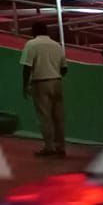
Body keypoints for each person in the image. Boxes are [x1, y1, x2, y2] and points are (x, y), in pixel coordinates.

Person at [20, 20, 67, 158]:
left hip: (40, 82)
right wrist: (56, 75)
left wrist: (25, 85)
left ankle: (49, 147)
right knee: (58, 117)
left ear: (34, 32)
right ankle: (61, 147)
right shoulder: (56, 45)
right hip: (57, 81)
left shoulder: (31, 44)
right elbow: (64, 68)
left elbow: (27, 66)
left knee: (44, 116)